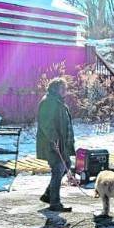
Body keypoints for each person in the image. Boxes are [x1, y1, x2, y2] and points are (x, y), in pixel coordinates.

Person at [37, 77, 75, 212]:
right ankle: (55, 203)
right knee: (58, 169)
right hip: (52, 144)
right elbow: (46, 124)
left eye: (66, 88)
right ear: (55, 89)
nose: (66, 90)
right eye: (63, 88)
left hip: (61, 143)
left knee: (67, 165)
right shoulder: (48, 102)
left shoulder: (59, 102)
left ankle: (48, 195)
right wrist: (54, 139)